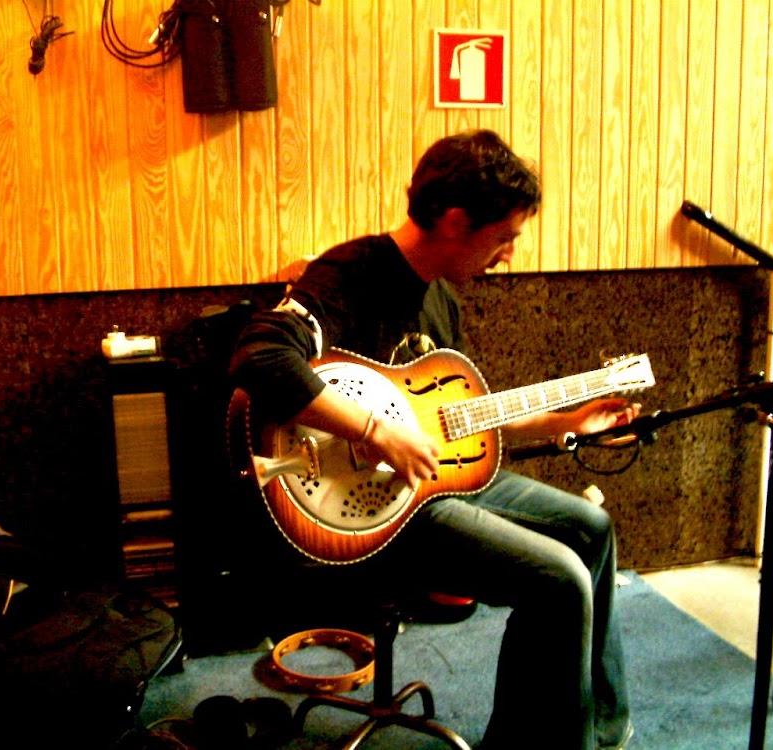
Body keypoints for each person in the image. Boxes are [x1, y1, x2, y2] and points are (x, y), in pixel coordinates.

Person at [228, 129, 636, 750]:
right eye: (502, 237)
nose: (508, 255)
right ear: (454, 221)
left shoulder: (441, 295)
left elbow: (459, 416)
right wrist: (374, 430)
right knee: (559, 578)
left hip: (435, 485)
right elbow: (260, 358)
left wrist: (565, 423)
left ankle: (601, 726)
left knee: (592, 527)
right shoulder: (349, 275)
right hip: (369, 512)